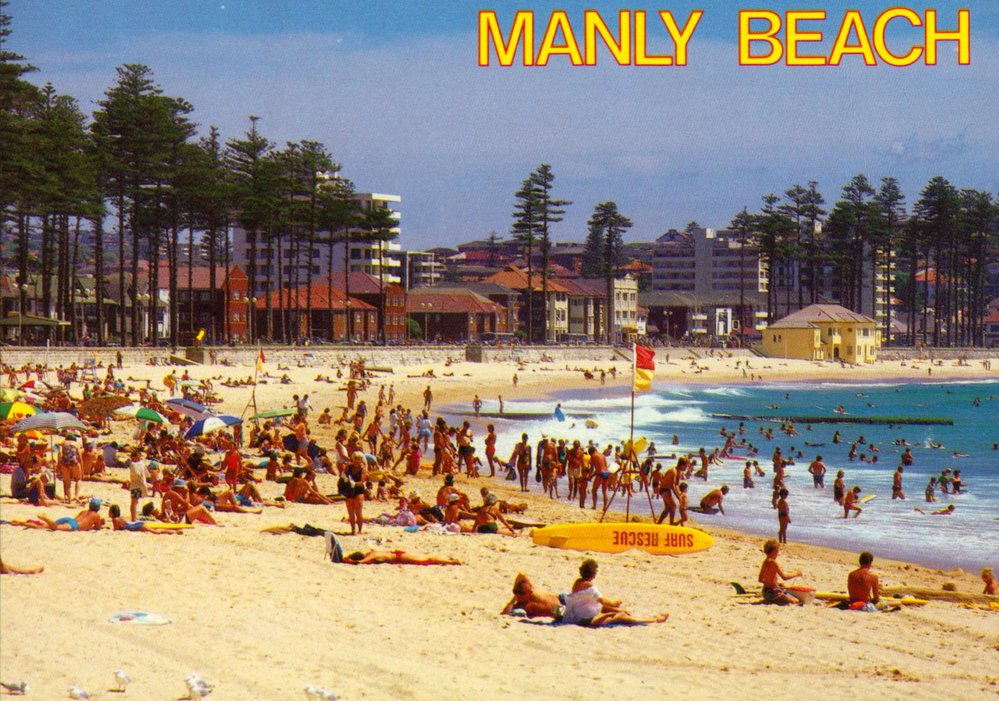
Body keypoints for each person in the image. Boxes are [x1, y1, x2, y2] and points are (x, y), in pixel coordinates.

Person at [561, 559, 668, 627]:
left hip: (578, 614)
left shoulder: (577, 582)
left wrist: (616, 609)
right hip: (586, 620)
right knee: (621, 617)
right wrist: (617, 603)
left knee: (609, 610)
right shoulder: (590, 587)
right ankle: (655, 620)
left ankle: (622, 612)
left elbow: (597, 603)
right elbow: (606, 602)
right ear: (594, 573)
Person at [758, 540, 804, 605]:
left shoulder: (765, 562)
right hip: (773, 592)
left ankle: (770, 599)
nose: (777, 554)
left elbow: (760, 579)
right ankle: (774, 600)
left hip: (765, 592)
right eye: (777, 552)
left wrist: (774, 583)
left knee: (785, 592)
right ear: (774, 551)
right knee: (797, 601)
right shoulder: (773, 562)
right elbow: (784, 577)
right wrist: (797, 574)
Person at [340, 451, 367, 535]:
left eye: (359, 459)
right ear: (353, 458)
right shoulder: (348, 467)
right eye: (355, 459)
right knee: (350, 511)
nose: (357, 461)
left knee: (358, 511)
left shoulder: (363, 469)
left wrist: (353, 483)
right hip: (349, 490)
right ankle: (353, 529)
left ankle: (359, 530)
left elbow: (362, 482)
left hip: (358, 490)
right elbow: (343, 476)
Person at [341, 549, 460, 565]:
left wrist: (349, 561)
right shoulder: (372, 551)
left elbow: (360, 562)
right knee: (425, 557)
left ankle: (451, 562)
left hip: (399, 558)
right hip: (398, 553)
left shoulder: (373, 555)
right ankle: (448, 560)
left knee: (425, 560)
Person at [128, 450, 150, 521]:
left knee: (135, 502)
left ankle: (134, 517)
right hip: (137, 485)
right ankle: (133, 518)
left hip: (137, 485)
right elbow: (146, 474)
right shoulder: (136, 464)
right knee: (134, 502)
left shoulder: (139, 464)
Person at [656, 459, 681, 525]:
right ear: (682, 465)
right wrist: (678, 498)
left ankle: (659, 523)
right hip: (665, 490)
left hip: (665, 490)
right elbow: (672, 486)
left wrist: (680, 494)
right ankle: (671, 523)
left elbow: (676, 485)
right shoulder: (673, 471)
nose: (687, 467)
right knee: (673, 506)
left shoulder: (678, 471)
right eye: (686, 466)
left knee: (667, 508)